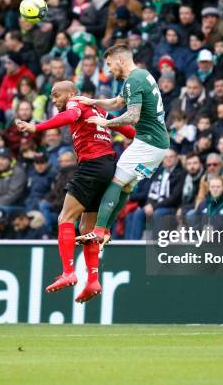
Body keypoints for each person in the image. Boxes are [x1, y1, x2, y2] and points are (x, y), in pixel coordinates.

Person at [17, 80, 136, 303]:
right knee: (86, 227)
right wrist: (146, 137)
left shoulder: (76, 103)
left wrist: (37, 127)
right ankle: (92, 279)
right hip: (108, 166)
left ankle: (68, 272)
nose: (54, 100)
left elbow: (70, 117)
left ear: (71, 93)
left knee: (65, 217)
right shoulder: (98, 109)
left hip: (92, 165)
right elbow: (126, 129)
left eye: (56, 95)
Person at [73, 44, 170, 254]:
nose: (109, 70)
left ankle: (99, 230)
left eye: (109, 64)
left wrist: (104, 123)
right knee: (125, 186)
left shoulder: (133, 80)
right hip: (157, 144)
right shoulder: (142, 76)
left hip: (148, 143)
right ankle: (106, 231)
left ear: (120, 60)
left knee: (115, 180)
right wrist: (94, 101)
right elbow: (118, 103)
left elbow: (132, 116)